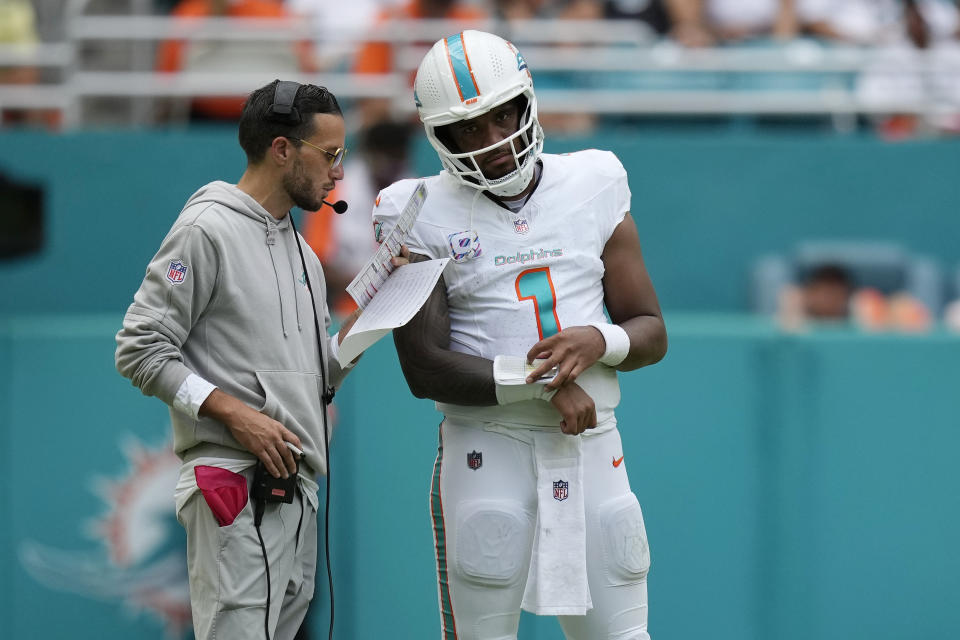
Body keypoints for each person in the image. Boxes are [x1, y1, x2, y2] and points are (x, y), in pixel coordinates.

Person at [374, 30, 668, 640]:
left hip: (592, 443)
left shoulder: (594, 181)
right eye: (470, 127)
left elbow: (651, 331)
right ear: (440, 136)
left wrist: (595, 339)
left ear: (526, 103)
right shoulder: (416, 209)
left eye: (501, 115)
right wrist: (542, 384)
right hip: (487, 444)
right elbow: (424, 367)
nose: (493, 141)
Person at [115, 80, 405, 640]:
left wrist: (380, 306)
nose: (339, 172)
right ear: (281, 150)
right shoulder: (207, 227)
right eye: (330, 154)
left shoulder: (304, 254)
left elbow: (318, 372)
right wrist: (233, 413)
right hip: (234, 481)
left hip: (294, 492)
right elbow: (139, 346)